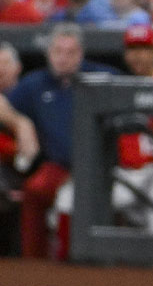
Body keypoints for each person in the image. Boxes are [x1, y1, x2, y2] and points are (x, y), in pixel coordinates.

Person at [52, 26, 153, 236]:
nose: (138, 56)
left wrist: (150, 123)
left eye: (144, 49)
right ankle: (72, 263)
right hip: (129, 174)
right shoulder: (119, 88)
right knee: (68, 199)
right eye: (133, 49)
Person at [0, 24, 118, 259]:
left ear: (81, 54)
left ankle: (72, 267)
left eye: (70, 52)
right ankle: (35, 265)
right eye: (57, 51)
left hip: (102, 169)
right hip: (59, 167)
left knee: (71, 205)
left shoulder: (101, 79)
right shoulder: (36, 84)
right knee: (35, 190)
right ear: (48, 53)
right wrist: (21, 123)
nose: (62, 58)